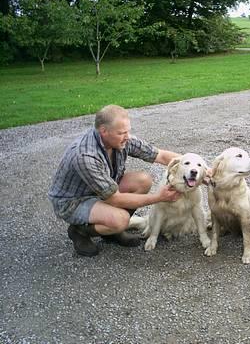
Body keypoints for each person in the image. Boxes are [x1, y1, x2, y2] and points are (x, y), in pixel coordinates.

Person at [48, 105, 182, 257]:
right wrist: (159, 197)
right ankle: (80, 231)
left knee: (143, 180)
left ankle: (110, 232)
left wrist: (197, 167)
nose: (127, 136)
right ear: (104, 131)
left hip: (100, 191)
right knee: (121, 220)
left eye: (127, 131)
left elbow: (161, 156)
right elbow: (115, 199)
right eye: (121, 133)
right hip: (73, 202)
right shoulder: (85, 155)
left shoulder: (121, 140)